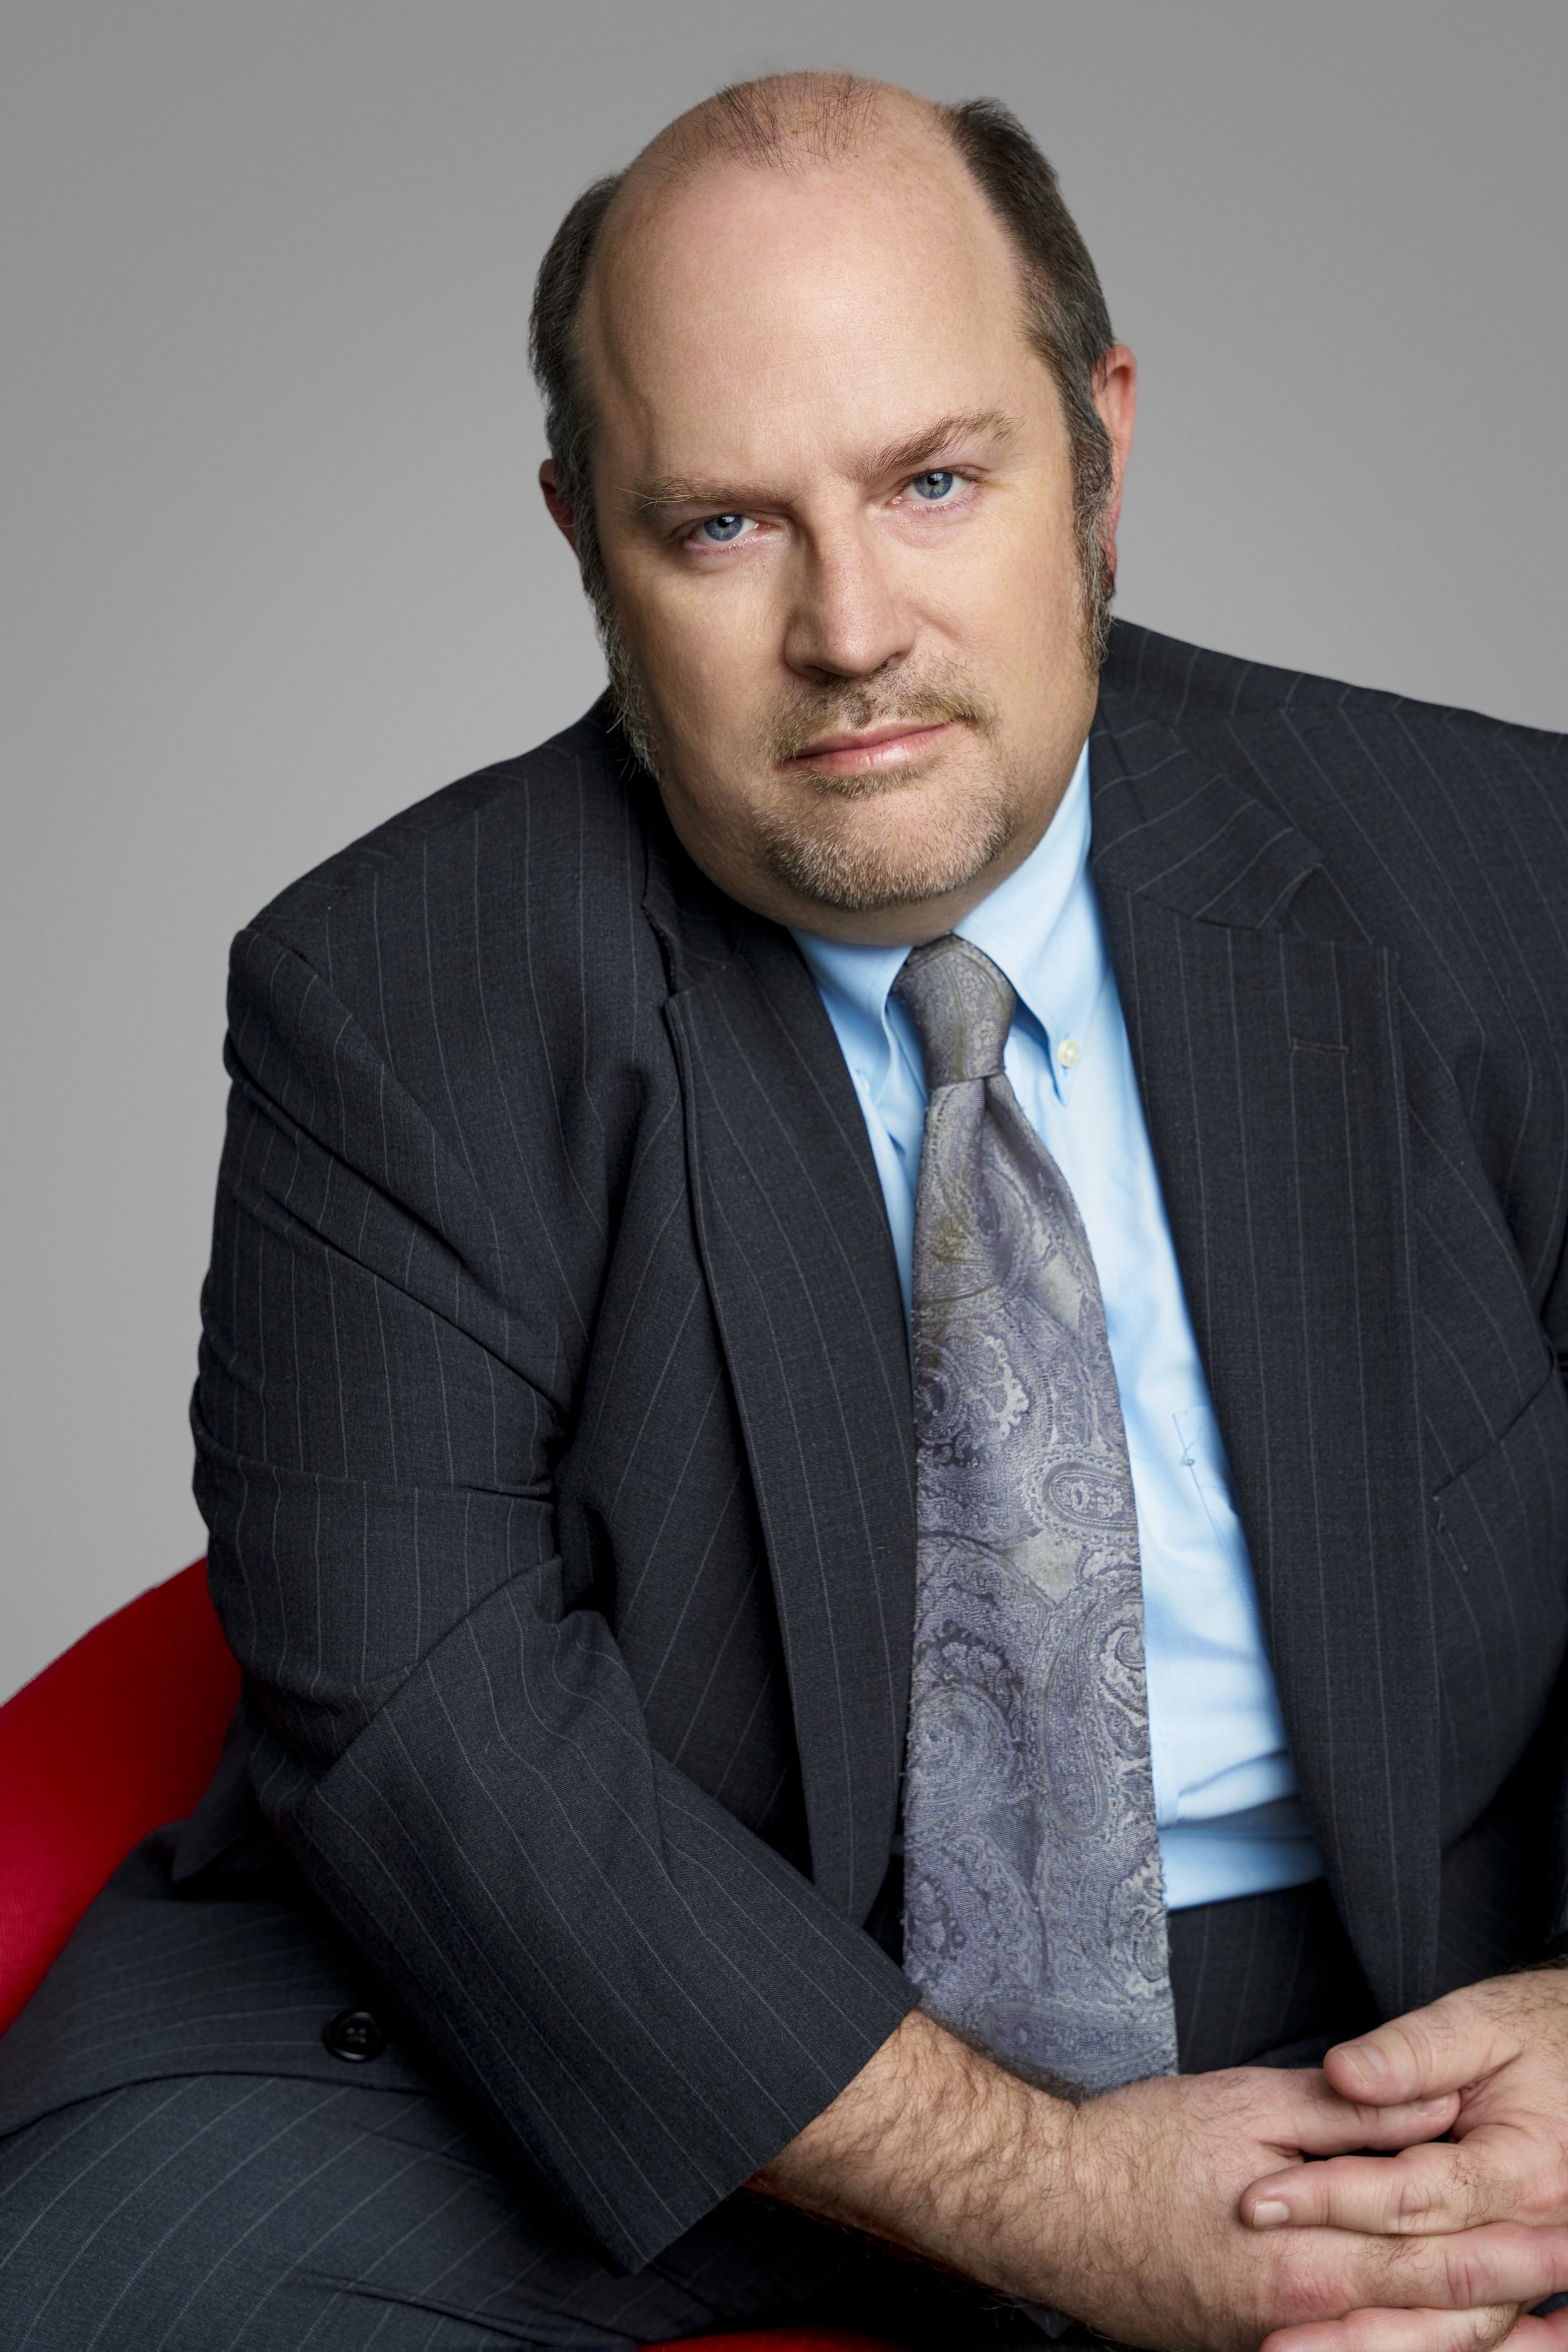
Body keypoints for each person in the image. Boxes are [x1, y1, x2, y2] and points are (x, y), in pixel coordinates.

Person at [1, 68, 1566, 2352]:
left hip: (1386, 1976)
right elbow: (430, 1731)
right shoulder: (387, 998)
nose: (850, 630)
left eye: (934, 482)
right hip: (644, 1997)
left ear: (1099, 450)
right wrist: (1049, 2194)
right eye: (722, 526)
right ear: (580, 535)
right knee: (93, 2290)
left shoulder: (1506, 877)